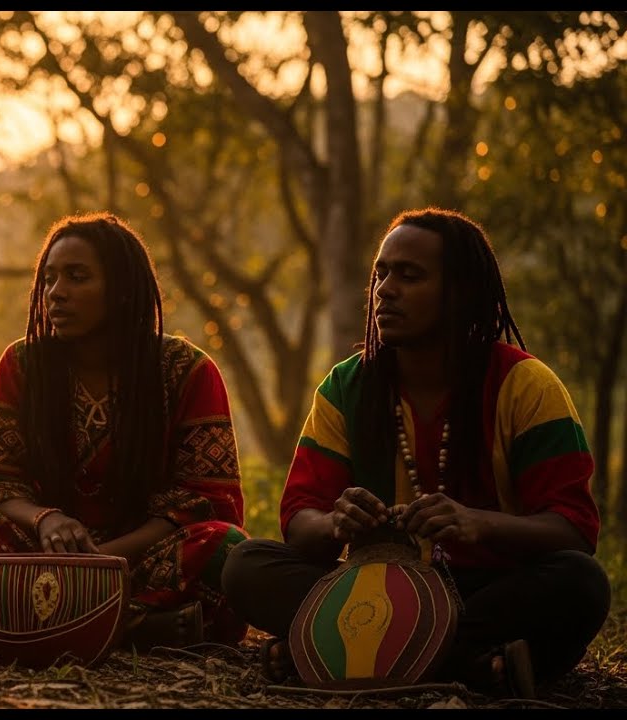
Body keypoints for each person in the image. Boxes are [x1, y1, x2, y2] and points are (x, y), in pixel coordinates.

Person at [221, 207, 610, 698]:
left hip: (485, 596)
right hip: (373, 593)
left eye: (410, 275)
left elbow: (573, 530)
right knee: (247, 563)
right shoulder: (348, 386)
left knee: (580, 583)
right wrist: (335, 524)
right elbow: (301, 524)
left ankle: (343, 654)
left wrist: (479, 522)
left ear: (460, 293)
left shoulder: (524, 384)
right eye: (381, 273)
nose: (385, 289)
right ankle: (469, 666)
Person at [0, 211, 251, 649]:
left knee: (227, 549)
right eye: (49, 279)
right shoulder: (24, 364)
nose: (55, 294)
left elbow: (207, 502)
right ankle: (130, 628)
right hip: (38, 553)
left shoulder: (186, 371)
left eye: (77, 277)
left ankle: (18, 618)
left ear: (121, 291)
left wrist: (102, 559)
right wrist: (46, 519)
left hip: (140, 560)